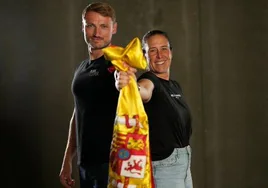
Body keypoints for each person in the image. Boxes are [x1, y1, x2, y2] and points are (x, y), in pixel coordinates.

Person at [59, 2, 136, 188]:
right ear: (83, 27)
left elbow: (136, 99)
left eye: (103, 26)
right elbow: (78, 112)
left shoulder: (120, 65)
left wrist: (128, 81)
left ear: (114, 28)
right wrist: (67, 159)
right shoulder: (81, 69)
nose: (97, 33)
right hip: (85, 163)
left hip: (114, 163)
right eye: (91, 25)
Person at [116, 30, 193, 188]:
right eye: (152, 50)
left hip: (183, 164)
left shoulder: (174, 85)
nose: (160, 55)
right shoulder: (149, 80)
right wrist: (129, 85)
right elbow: (143, 91)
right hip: (164, 166)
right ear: (144, 55)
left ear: (171, 52)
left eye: (164, 48)